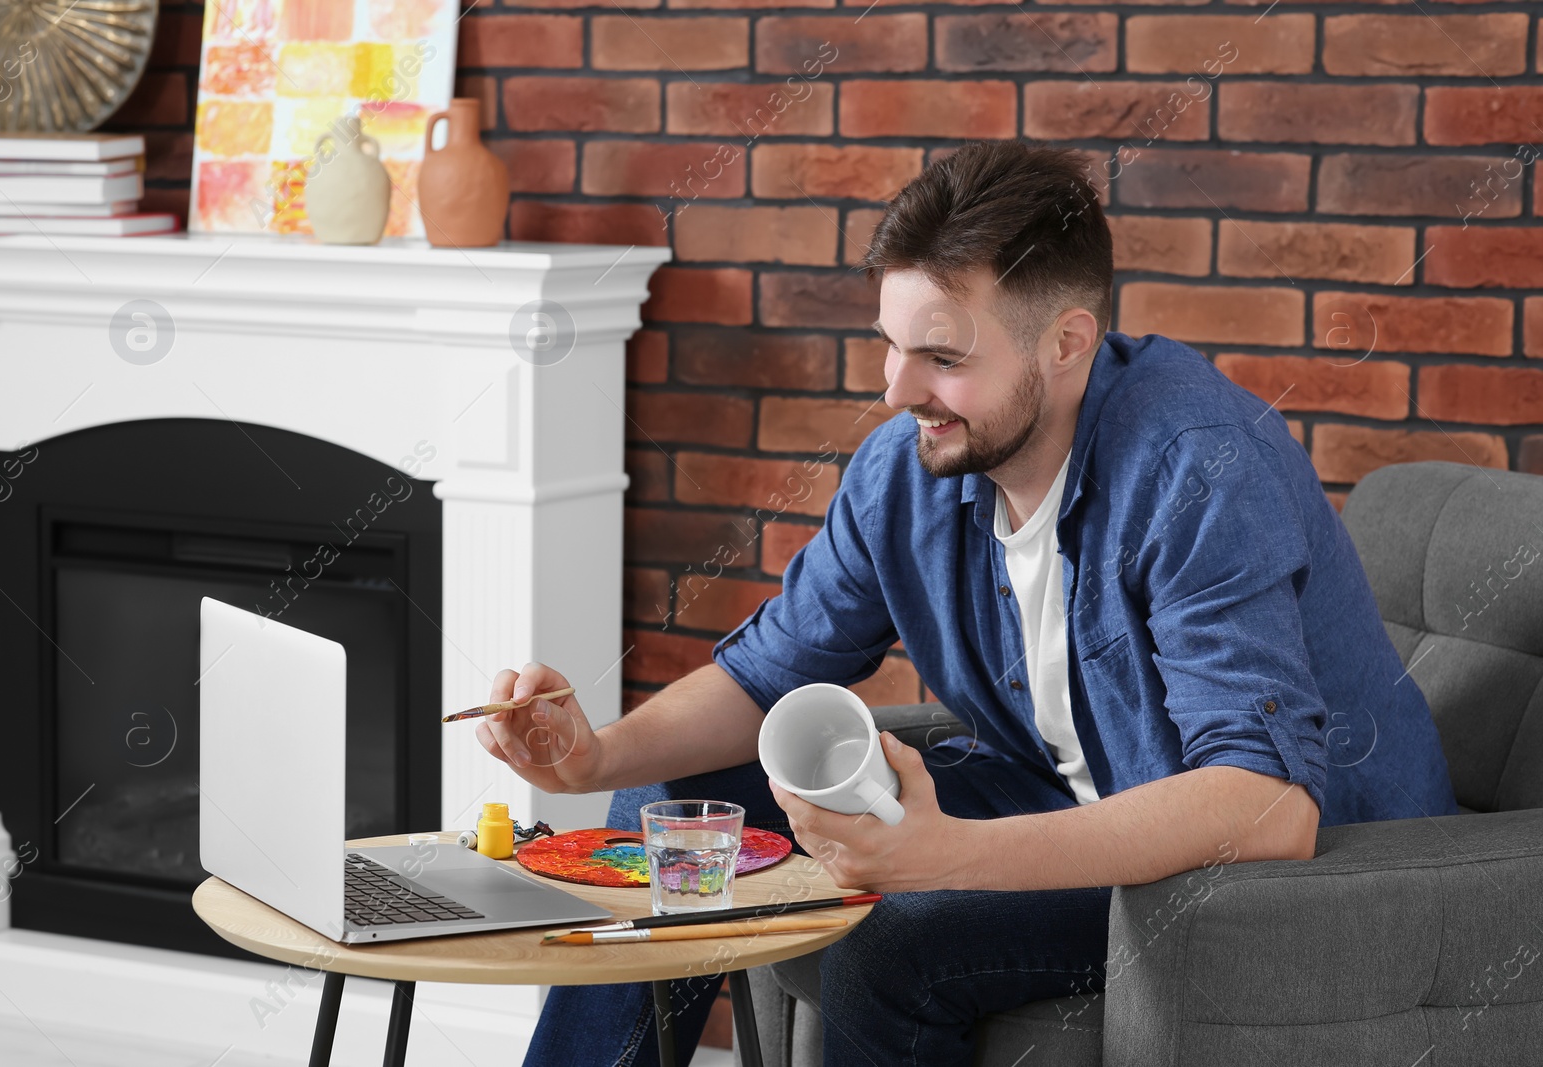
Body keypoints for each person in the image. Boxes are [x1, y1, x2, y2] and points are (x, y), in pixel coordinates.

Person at [474, 139, 1460, 1067]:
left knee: (897, 931)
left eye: (941, 357)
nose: (896, 389)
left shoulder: (1197, 470)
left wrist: (946, 853)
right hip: (1076, 796)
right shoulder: (910, 469)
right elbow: (766, 672)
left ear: (1066, 343)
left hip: (1289, 873)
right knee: (661, 803)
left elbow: (1266, 808)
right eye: (890, 346)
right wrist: (593, 752)